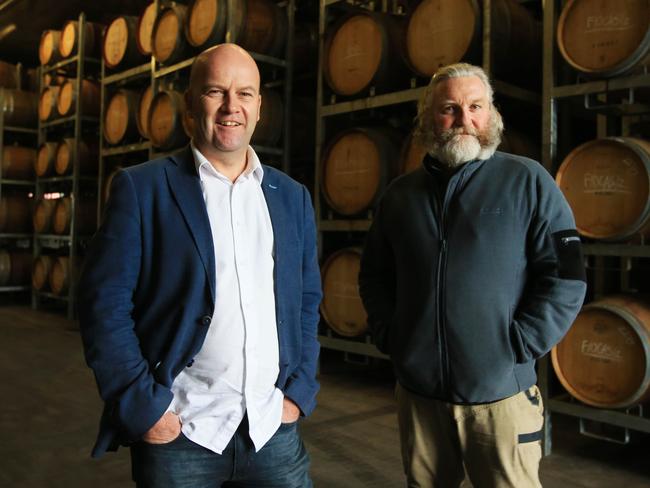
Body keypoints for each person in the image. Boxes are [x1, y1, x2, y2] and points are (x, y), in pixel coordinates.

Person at [78, 43, 322, 487]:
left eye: (245, 94)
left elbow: (306, 300)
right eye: (216, 92)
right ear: (191, 105)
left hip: (272, 429)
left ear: (260, 107)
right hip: (182, 435)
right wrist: (146, 408)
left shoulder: (291, 197)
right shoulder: (143, 189)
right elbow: (103, 306)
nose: (232, 106)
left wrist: (298, 393)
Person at [358, 63, 587, 488]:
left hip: (501, 399)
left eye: (475, 106)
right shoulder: (400, 196)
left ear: (491, 114)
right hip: (420, 397)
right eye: (449, 109)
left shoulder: (527, 180)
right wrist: (392, 335)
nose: (464, 119)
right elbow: (374, 275)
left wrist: (519, 345)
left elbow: (567, 275)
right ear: (428, 119)